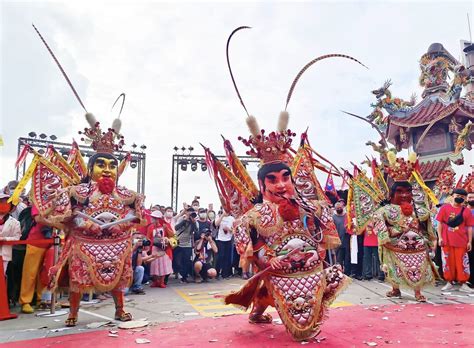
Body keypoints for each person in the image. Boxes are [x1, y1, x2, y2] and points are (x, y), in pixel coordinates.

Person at [31, 113, 146, 327]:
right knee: (78, 278)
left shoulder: (126, 194)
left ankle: (120, 309)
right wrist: (86, 224)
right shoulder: (77, 191)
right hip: (85, 244)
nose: (107, 170)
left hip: (117, 244)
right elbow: (67, 216)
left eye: (112, 166)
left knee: (119, 279)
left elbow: (137, 218)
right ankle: (73, 312)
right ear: (90, 168)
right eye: (101, 165)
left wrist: (120, 224)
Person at [372, 156, 437, 302]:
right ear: (391, 194)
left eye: (408, 192)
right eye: (400, 192)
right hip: (394, 244)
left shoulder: (419, 209)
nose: (405, 195)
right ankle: (395, 289)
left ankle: (417, 292)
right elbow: (381, 227)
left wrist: (431, 238)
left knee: (416, 268)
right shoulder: (385, 211)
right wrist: (391, 236)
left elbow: (427, 224)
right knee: (393, 267)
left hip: (417, 247)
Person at [436, 188, 474, 293]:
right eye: (457, 196)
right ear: (452, 196)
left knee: (462, 262)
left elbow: (470, 227)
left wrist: (469, 241)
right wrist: (440, 237)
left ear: (465, 199)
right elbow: (439, 223)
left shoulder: (466, 211)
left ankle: (463, 283)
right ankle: (449, 282)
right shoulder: (444, 208)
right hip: (447, 240)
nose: (459, 198)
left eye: (462, 197)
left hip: (462, 241)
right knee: (448, 262)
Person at [18, 204, 52, 314]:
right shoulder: (38, 202)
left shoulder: (60, 203)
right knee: (29, 273)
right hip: (35, 242)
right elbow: (38, 219)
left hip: (52, 243)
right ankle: (25, 301)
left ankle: (43, 299)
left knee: (46, 273)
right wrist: (56, 223)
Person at [147, 210, 176, 288]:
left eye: (153, 218)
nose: (152, 219)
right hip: (155, 248)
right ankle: (156, 281)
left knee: (163, 265)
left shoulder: (165, 225)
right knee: (154, 265)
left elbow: (172, 235)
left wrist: (166, 229)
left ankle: (162, 281)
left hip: (164, 248)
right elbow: (148, 237)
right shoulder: (150, 227)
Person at [174, 207, 198, 283]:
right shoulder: (181, 219)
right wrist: (185, 220)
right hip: (178, 242)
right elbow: (176, 228)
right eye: (189, 213)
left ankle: (184, 276)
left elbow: (196, 231)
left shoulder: (194, 221)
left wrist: (193, 222)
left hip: (187, 244)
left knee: (186, 261)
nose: (190, 215)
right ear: (186, 213)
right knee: (178, 261)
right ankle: (178, 273)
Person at [0, 192, 21, 275]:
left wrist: (4, 239)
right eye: (1, 202)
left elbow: (17, 238)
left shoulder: (15, 223)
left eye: (7, 203)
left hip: (5, 254)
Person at [214, 211, 235, 279]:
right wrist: (222, 215)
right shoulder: (218, 216)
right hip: (220, 239)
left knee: (227, 257)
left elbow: (235, 230)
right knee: (220, 256)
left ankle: (225, 274)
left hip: (228, 239)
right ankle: (216, 273)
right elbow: (216, 224)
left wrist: (229, 229)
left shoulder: (232, 218)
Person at [333, 201, 351, 275]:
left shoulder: (347, 216)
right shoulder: (333, 217)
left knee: (347, 257)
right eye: (338, 208)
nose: (339, 209)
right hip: (338, 239)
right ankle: (339, 272)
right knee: (339, 258)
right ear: (335, 209)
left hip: (346, 238)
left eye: (340, 208)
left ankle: (347, 272)